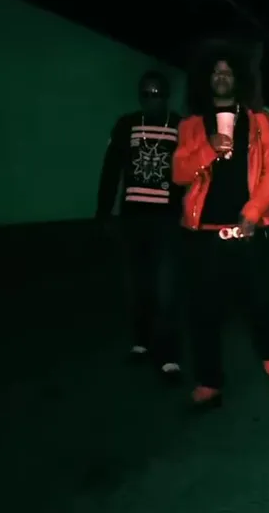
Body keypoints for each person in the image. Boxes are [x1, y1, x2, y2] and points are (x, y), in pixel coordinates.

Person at [172, 41, 269, 411]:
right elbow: (179, 173)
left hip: (248, 233)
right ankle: (210, 383)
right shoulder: (191, 125)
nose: (221, 77)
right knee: (203, 313)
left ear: (238, 79)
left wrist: (253, 212)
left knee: (261, 306)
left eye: (228, 72)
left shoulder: (260, 121)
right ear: (206, 79)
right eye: (215, 72)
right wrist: (208, 148)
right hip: (204, 236)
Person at [96, 70, 184, 384]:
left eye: (157, 93)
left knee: (166, 289)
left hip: (168, 221)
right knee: (137, 285)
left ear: (166, 96)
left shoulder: (179, 125)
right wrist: (103, 213)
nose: (151, 99)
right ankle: (141, 341)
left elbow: (192, 171)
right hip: (133, 220)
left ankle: (168, 354)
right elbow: (111, 169)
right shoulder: (127, 124)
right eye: (146, 94)